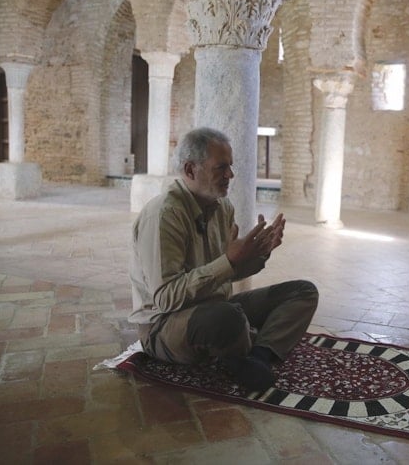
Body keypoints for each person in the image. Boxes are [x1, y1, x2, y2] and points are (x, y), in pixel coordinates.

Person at [129, 127, 318, 392]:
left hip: (215, 308)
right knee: (227, 317)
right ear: (190, 170)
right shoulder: (165, 215)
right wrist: (228, 261)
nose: (230, 175)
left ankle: (258, 356)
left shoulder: (221, 207)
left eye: (230, 166)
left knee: (303, 292)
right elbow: (165, 298)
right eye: (221, 168)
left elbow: (228, 271)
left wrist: (259, 252)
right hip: (163, 326)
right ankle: (244, 348)